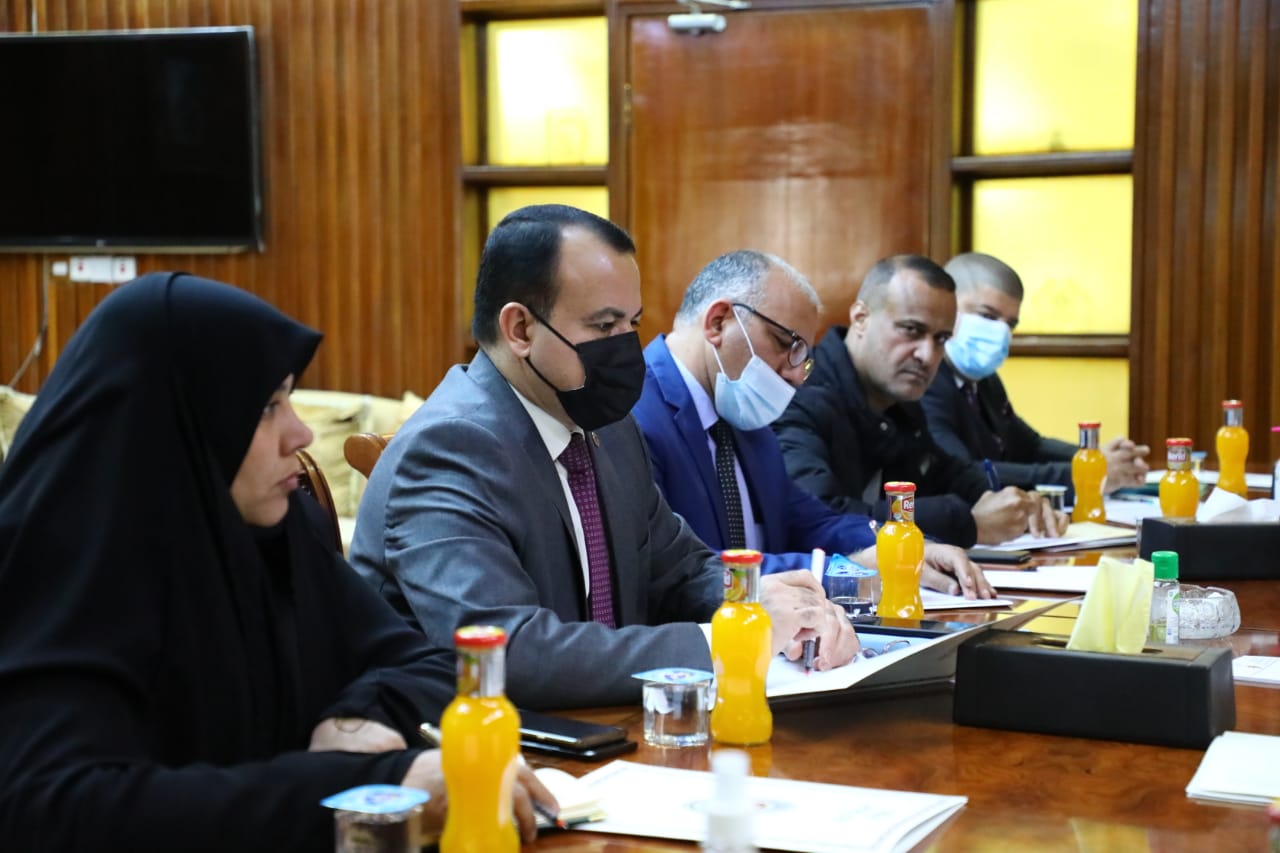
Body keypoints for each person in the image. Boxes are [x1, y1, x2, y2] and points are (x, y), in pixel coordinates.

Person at [0, 273, 551, 851]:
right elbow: (55, 810)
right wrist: (368, 787)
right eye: (266, 407)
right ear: (177, 420)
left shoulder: (276, 531)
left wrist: (358, 717)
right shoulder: (68, 567)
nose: (301, 433)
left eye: (289, 399)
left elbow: (425, 662)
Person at [350, 205, 857, 708]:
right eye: (604, 325)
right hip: (480, 742)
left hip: (611, 724)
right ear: (520, 329)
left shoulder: (609, 428)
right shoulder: (449, 448)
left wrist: (758, 598)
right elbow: (508, 653)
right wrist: (732, 640)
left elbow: (680, 569)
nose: (626, 347)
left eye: (631, 323)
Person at [633, 249, 994, 598]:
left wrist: (900, 546)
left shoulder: (741, 410)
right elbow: (682, 573)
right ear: (718, 322)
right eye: (783, 343)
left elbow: (809, 521)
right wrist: (835, 572)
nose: (794, 376)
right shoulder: (634, 416)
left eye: (802, 358)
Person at [774, 254, 1067, 548]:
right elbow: (822, 518)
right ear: (861, 318)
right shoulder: (800, 394)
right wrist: (968, 524)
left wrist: (1011, 502)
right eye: (911, 330)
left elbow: (946, 472)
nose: (927, 356)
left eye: (941, 339)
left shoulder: (898, 399)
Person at [922, 251, 1150, 493]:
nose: (1000, 332)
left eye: (1010, 324)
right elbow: (965, 472)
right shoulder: (925, 382)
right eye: (987, 316)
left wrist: (1092, 456)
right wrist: (1085, 474)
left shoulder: (984, 381)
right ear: (945, 310)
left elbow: (1029, 445)